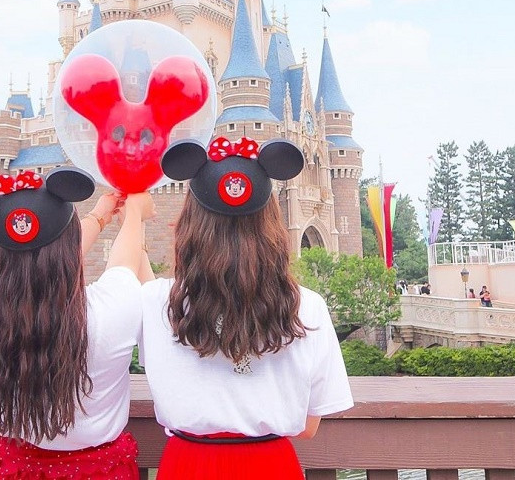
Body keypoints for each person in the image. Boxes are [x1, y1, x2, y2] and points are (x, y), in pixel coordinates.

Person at [139, 137, 354, 479]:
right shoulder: (307, 307)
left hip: (189, 465)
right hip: (272, 466)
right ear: (272, 223)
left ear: (190, 223)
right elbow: (309, 425)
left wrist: (130, 217)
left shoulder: (155, 302)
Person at [0, 168, 155, 479]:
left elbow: (34, 259)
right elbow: (124, 264)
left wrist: (99, 216)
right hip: (95, 471)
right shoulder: (107, 311)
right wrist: (134, 216)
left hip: (6, 469)